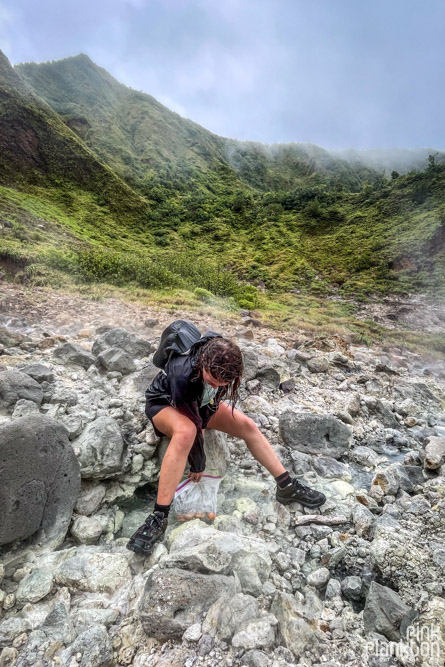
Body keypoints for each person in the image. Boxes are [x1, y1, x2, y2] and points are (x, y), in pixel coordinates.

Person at [127, 335, 326, 555]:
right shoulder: (182, 373)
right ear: (203, 361)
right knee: (186, 432)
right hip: (165, 403)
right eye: (212, 381)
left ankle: (286, 486)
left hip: (199, 403)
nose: (217, 386)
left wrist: (212, 390)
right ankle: (159, 516)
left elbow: (207, 407)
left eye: (221, 384)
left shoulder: (222, 365)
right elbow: (194, 423)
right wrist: (198, 463)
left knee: (248, 426)